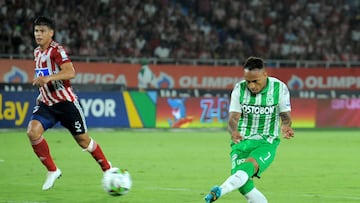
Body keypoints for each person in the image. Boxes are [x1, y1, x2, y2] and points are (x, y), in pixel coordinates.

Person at [27, 16, 113, 190]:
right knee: (32, 132)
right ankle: (52, 170)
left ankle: (108, 168)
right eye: (36, 31)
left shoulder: (57, 50)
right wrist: (42, 91)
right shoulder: (37, 52)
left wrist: (49, 78)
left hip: (66, 104)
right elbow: (44, 75)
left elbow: (70, 72)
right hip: (47, 104)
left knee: (84, 142)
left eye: (42, 31)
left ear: (51, 33)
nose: (38, 34)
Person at [204, 56, 295, 203]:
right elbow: (233, 118)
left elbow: (285, 115)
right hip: (241, 142)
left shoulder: (279, 88)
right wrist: (233, 132)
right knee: (243, 185)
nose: (252, 86)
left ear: (265, 75)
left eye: (255, 81)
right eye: (248, 81)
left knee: (248, 167)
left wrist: (285, 126)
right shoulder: (239, 89)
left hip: (266, 142)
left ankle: (220, 190)